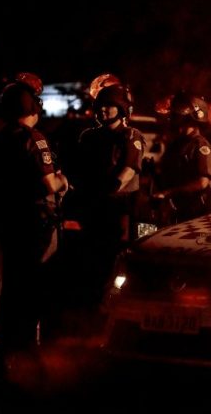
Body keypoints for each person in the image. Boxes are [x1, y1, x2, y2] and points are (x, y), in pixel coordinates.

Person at [0, 72, 69, 370]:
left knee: (11, 284)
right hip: (38, 224)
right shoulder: (36, 139)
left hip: (9, 222)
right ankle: (29, 349)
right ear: (34, 108)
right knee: (36, 284)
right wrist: (64, 180)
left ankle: (7, 346)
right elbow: (50, 185)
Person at [76, 78, 145, 306]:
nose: (103, 110)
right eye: (100, 106)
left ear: (121, 108)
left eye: (109, 105)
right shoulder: (90, 136)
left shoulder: (130, 136)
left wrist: (108, 188)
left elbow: (128, 169)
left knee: (115, 261)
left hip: (119, 208)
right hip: (92, 207)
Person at [152, 91, 211, 222]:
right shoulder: (176, 145)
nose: (171, 120)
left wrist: (169, 193)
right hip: (173, 213)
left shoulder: (200, 146)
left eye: (176, 116)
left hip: (194, 215)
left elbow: (202, 182)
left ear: (191, 118)